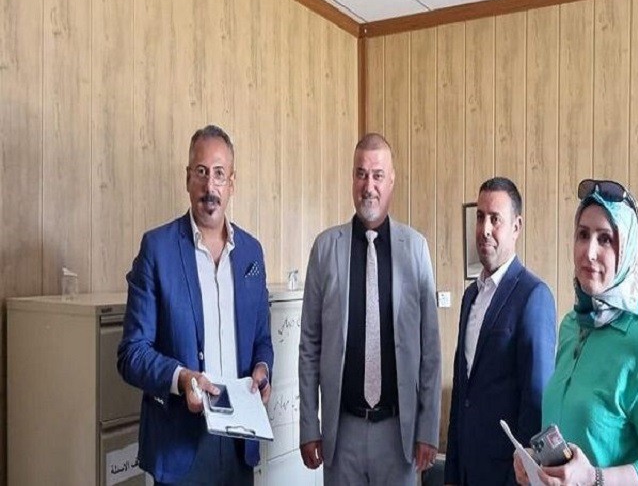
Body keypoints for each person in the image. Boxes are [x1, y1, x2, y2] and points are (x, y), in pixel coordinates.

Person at [118, 125, 274, 485]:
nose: (209, 185)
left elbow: (262, 339)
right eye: (201, 172)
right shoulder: (157, 249)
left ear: (231, 183)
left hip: (239, 445)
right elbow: (131, 353)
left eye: (219, 174)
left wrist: (263, 369)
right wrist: (182, 378)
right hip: (179, 446)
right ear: (187, 178)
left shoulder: (251, 252)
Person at [514, 179, 638, 486]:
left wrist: (593, 478)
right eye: (583, 235)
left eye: (605, 239)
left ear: (627, 251)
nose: (589, 252)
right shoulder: (572, 327)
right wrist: (539, 463)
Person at [298, 133, 441, 485]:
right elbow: (309, 346)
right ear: (352, 179)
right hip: (341, 432)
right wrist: (308, 426)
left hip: (399, 434)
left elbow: (431, 350)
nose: (369, 186)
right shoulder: (325, 249)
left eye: (377, 175)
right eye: (361, 174)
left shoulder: (416, 249)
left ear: (391, 180)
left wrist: (428, 428)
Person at [445, 177, 557, 485]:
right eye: (480, 217)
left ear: (516, 227)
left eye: (496, 219)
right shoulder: (470, 297)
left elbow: (536, 402)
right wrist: (451, 472)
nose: (485, 229)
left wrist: (523, 476)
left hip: (507, 476)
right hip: (466, 471)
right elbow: (462, 393)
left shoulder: (533, 296)